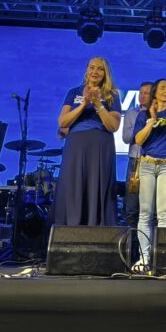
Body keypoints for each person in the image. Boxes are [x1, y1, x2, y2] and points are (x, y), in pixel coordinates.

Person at [56, 57, 121, 226]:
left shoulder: (112, 95)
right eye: (92, 67)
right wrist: (83, 105)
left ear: (105, 73)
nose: (95, 71)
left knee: (96, 186)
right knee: (73, 185)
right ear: (86, 70)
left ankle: (96, 228)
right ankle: (71, 227)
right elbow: (63, 122)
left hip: (100, 145)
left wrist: (98, 105)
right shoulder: (74, 92)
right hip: (76, 145)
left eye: (100, 68)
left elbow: (113, 126)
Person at [132, 78, 166, 269]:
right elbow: (139, 140)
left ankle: (163, 258)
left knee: (164, 214)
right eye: (163, 88)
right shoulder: (144, 114)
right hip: (147, 165)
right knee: (145, 213)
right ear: (155, 92)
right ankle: (144, 257)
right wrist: (152, 121)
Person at [121, 82, 153, 229]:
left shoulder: (157, 114)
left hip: (152, 160)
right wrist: (141, 127)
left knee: (149, 207)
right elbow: (126, 138)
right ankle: (130, 239)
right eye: (141, 92)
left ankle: (149, 239)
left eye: (146, 93)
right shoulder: (131, 113)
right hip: (135, 162)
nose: (142, 96)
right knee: (131, 205)